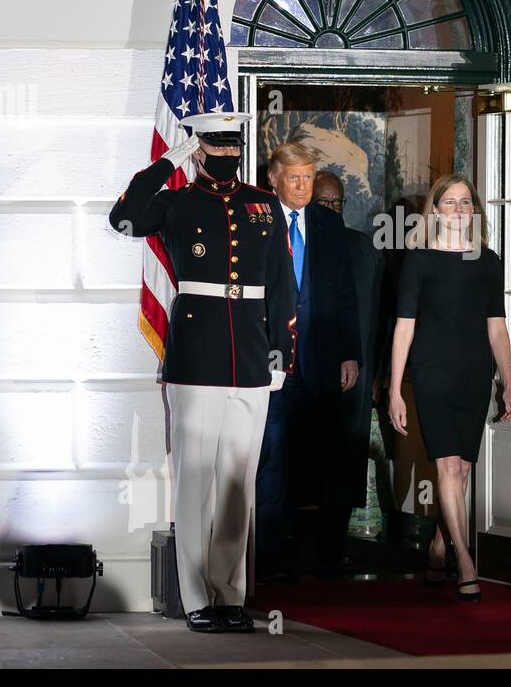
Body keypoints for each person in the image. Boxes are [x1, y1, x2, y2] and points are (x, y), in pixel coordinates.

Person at [108, 113, 296, 634]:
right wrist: (169, 161)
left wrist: (282, 353)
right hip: (196, 359)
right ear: (200, 147)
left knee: (238, 481)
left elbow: (282, 286)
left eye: (234, 142)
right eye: (216, 143)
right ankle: (195, 597)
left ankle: (229, 594)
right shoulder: (175, 202)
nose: (229, 150)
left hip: (253, 360)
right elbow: (123, 217)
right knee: (195, 480)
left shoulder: (263, 205)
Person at [387, 174, 511, 601]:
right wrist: (393, 390)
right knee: (446, 466)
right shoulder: (419, 260)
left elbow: (497, 326)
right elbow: (404, 327)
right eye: (450, 202)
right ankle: (465, 558)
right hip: (432, 372)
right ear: (436, 210)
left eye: (465, 203)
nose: (458, 210)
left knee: (462, 469)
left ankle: (440, 544)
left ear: (474, 210)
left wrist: (508, 382)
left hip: (474, 373)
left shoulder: (488, 261)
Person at [255, 143, 362, 579]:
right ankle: (267, 556)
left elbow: (342, 293)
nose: (303, 187)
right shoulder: (255, 220)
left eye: (309, 178)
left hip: (320, 362)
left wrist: (350, 353)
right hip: (269, 363)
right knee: (272, 454)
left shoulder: (327, 223)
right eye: (294, 178)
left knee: (320, 454)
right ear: (274, 179)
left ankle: (320, 555)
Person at [313, 171, 386, 548]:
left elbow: (380, 313)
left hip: (357, 372)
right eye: (323, 202)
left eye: (337, 202)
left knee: (346, 457)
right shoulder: (297, 246)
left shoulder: (364, 249)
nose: (331, 209)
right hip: (310, 371)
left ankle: (333, 544)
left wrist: (378, 372)